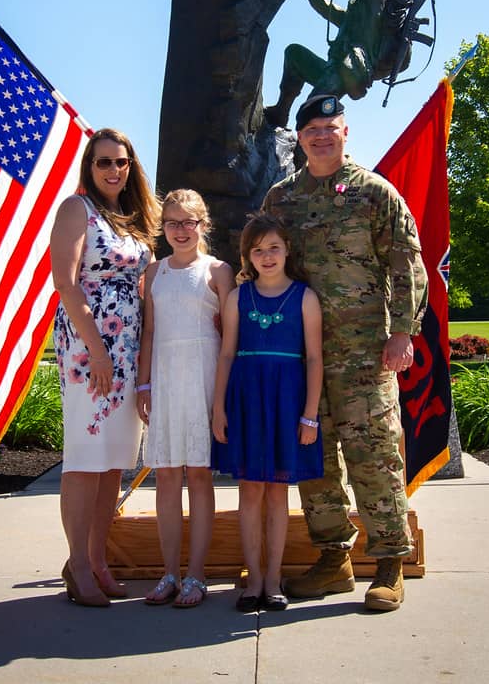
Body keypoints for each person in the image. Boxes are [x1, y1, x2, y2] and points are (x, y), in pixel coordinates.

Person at [262, 95, 428, 612]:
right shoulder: (282, 198)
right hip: (301, 356)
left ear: (345, 132)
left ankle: (390, 564)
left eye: (329, 127)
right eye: (310, 129)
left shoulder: (374, 193)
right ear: (301, 137)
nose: (320, 136)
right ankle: (333, 559)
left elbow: (407, 263)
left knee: (374, 456)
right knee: (314, 460)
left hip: (365, 354)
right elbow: (265, 265)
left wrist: (402, 332)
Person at [50, 128, 161, 607]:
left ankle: (98, 559)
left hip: (128, 348)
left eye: (121, 162)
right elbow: (66, 283)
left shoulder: (132, 219)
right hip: (89, 347)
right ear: (88, 167)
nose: (113, 170)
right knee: (84, 460)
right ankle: (76, 564)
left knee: (113, 461)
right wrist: (97, 350)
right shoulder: (77, 210)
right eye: (103, 162)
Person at [212, 213, 324, 612]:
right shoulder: (238, 298)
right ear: (248, 256)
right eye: (257, 250)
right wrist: (219, 408)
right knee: (249, 491)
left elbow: (313, 359)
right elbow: (226, 354)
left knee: (277, 492)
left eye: (274, 247)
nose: (267, 256)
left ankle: (274, 578)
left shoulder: (305, 298)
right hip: (247, 400)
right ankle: (253, 579)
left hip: (287, 401)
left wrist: (309, 414)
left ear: (287, 250)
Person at [137, 189, 234, 609]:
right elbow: (149, 332)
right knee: (166, 478)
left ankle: (197, 574)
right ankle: (169, 572)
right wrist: (143, 384)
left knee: (198, 476)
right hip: (164, 380)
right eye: (172, 223)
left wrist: (221, 400)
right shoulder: (154, 273)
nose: (180, 230)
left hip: (203, 379)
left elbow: (230, 336)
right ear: (164, 228)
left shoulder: (218, 271)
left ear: (202, 225)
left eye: (188, 222)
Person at [265, 0, 414, 128]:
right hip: (330, 69)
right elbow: (321, 4)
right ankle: (280, 113)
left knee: (310, 112)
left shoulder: (373, 23)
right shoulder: (350, 18)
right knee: (294, 54)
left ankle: (302, 153)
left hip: (344, 74)